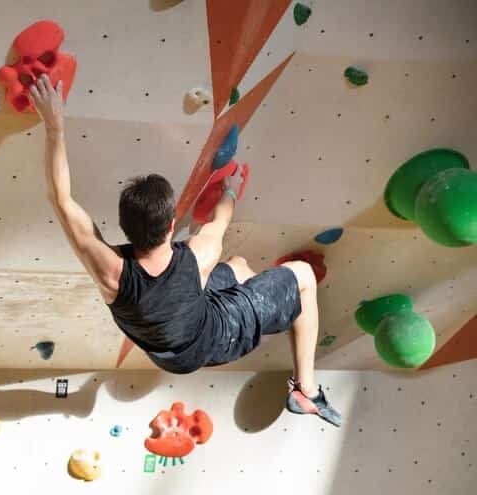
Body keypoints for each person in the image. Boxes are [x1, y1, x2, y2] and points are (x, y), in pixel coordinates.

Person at [28, 75, 341, 426]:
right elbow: (222, 218)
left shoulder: (110, 271)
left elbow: (61, 198)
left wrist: (54, 127)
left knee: (238, 266)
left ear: (123, 225)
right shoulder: (197, 257)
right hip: (213, 338)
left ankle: (265, 303)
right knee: (303, 275)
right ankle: (306, 390)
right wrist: (233, 188)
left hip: (167, 348)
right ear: (171, 225)